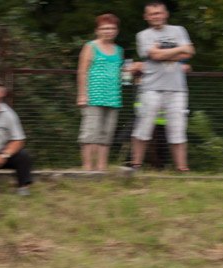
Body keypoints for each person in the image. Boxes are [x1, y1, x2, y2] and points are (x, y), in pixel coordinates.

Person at [130, 2, 194, 172]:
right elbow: (155, 56)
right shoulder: (143, 35)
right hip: (150, 88)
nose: (156, 16)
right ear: (146, 17)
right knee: (143, 127)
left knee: (178, 129)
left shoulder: (179, 30)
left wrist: (161, 53)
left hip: (177, 89)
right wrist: (178, 50)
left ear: (166, 14)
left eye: (159, 13)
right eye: (152, 14)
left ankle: (182, 169)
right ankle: (136, 166)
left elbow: (189, 52)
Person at [77, 14, 130, 172]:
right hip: (93, 97)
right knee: (90, 133)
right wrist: (82, 94)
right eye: (104, 28)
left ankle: (101, 168)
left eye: (112, 28)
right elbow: (82, 72)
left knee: (106, 134)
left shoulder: (119, 50)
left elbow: (122, 73)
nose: (108, 31)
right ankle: (87, 168)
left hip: (113, 97)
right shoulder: (90, 46)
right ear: (97, 30)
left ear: (117, 31)